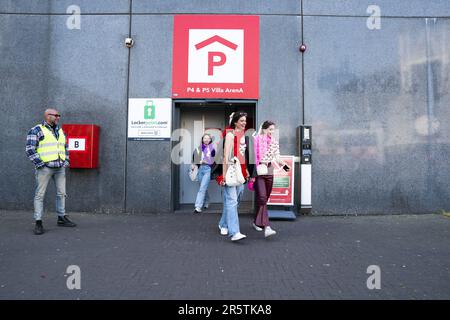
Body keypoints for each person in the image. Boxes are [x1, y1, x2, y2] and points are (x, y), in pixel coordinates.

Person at [26, 108, 76, 235]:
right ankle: (38, 222)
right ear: (48, 116)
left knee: (62, 193)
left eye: (59, 115)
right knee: (40, 195)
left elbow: (65, 146)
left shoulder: (60, 130)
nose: (58, 117)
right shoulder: (37, 130)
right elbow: (30, 149)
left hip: (59, 167)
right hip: (45, 168)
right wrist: (40, 164)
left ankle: (61, 218)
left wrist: (66, 161)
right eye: (56, 115)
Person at [252, 121, 290, 238]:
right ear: (264, 129)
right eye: (269, 129)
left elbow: (277, 157)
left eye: (273, 129)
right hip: (259, 171)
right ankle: (267, 226)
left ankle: (256, 222)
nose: (271, 132)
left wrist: (285, 166)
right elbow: (253, 154)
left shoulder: (274, 142)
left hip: (269, 171)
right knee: (262, 197)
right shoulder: (257, 139)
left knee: (264, 199)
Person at [218, 111, 252, 242]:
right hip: (230, 172)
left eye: (245, 120)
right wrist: (224, 176)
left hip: (241, 172)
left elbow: (243, 156)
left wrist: (247, 170)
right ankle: (234, 232)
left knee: (234, 201)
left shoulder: (243, 135)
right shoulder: (230, 135)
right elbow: (226, 157)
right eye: (242, 120)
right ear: (235, 121)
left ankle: (223, 223)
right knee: (232, 201)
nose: (244, 123)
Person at [192, 133, 216, 213]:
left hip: (208, 169)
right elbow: (194, 159)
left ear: (210, 140)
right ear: (202, 139)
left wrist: (206, 161)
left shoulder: (212, 149)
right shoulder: (198, 149)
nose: (206, 140)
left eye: (208, 138)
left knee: (202, 188)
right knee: (202, 188)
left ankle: (198, 207)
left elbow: (214, 161)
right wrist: (194, 164)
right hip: (200, 169)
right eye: (205, 138)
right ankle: (207, 201)